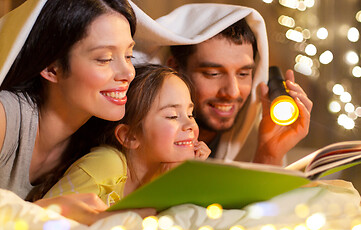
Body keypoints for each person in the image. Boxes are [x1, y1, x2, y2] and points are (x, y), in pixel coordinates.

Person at [0, 0, 154, 225]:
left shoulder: (101, 139)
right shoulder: (3, 116)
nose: (127, 73)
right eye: (104, 59)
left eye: (129, 56)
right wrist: (46, 211)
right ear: (51, 68)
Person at [131, 3, 313, 166]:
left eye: (243, 74)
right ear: (175, 69)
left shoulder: (249, 140)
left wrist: (269, 153)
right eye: (213, 74)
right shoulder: (131, 150)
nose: (232, 92)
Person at [44, 64, 211, 206]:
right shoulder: (107, 164)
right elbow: (42, 218)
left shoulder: (165, 172)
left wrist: (186, 178)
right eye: (172, 116)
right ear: (130, 136)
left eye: (190, 114)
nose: (190, 125)